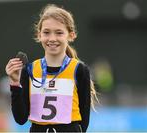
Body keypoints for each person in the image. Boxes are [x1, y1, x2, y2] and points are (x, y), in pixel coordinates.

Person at [5, 4, 98, 132]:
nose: (52, 38)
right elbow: (20, 119)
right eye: (46, 32)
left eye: (59, 33)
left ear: (71, 35)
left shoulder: (79, 70)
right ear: (39, 35)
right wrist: (15, 83)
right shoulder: (30, 70)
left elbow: (84, 119)